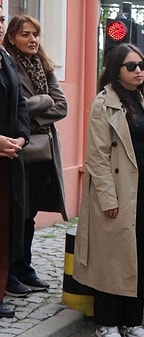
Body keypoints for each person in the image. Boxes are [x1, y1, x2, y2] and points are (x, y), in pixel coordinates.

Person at [73, 44, 144, 337]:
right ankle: (107, 322)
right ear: (116, 70)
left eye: (142, 64)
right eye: (131, 66)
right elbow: (97, 156)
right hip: (117, 190)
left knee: (139, 254)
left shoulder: (142, 101)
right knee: (112, 259)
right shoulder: (103, 104)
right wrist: (106, 197)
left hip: (143, 190)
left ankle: (133, 321)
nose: (139, 70)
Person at [3, 14, 68, 297]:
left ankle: (24, 266)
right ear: (12, 37)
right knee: (18, 212)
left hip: (45, 152)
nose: (33, 40)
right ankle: (13, 269)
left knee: (30, 214)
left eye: (35, 34)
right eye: (26, 34)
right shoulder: (8, 64)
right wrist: (42, 102)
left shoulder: (44, 66)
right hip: (18, 149)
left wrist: (34, 111)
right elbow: (14, 107)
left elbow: (62, 106)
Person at [0, 4, 29, 318]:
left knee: (6, 226)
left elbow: (21, 104)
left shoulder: (6, 59)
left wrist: (20, 138)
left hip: (10, 158)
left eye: (1, 19)